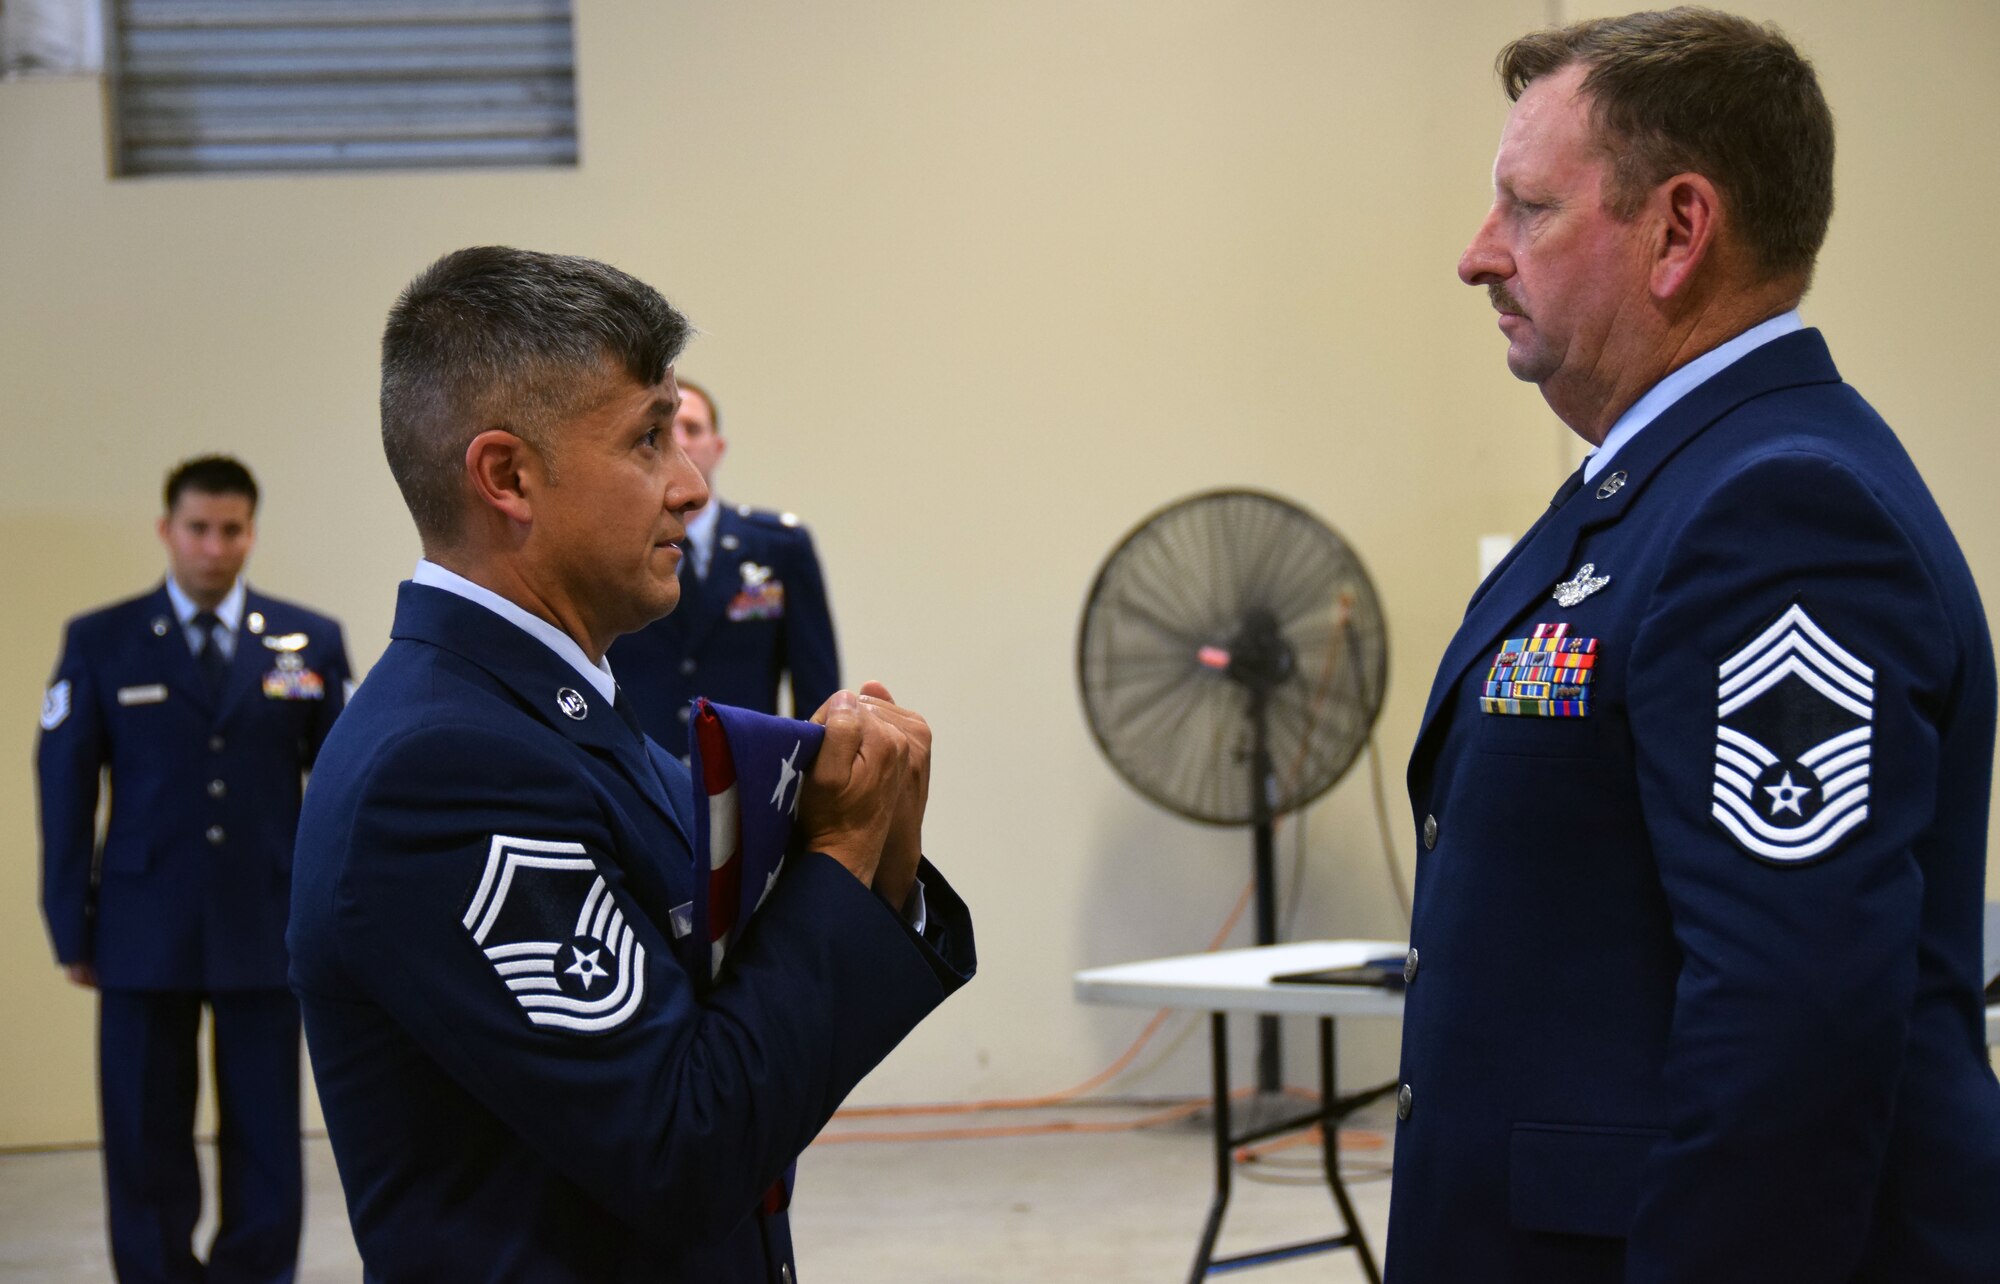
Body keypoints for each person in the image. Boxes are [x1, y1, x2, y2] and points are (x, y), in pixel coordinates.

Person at [1392, 9, 2000, 1282]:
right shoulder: (1661, 488)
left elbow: (1793, 1034)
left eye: (1525, 209)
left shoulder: (1777, 516)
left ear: (1677, 229)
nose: (1475, 256)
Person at [288, 246, 975, 1283]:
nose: (692, 487)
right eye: (648, 439)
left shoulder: (553, 714)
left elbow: (735, 1046)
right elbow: (682, 1143)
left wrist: (877, 856)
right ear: (508, 477)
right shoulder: (444, 771)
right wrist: (834, 856)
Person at [36, 455, 351, 1284]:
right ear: (166, 530)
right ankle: (155, 1271)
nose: (215, 548)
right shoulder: (100, 640)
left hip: (265, 920)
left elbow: (345, 785)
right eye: (198, 529)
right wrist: (71, 921)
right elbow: (65, 789)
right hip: (143, 926)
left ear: (252, 532)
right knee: (144, 1129)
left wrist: (333, 914)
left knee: (265, 1129)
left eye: (232, 530)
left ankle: (255, 1272)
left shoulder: (306, 639)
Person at [607, 378, 840, 755]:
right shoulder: (611, 545)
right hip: (641, 770)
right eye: (660, 432)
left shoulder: (778, 547)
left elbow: (815, 687)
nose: (680, 440)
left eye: (693, 429)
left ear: (717, 449)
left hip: (745, 773)